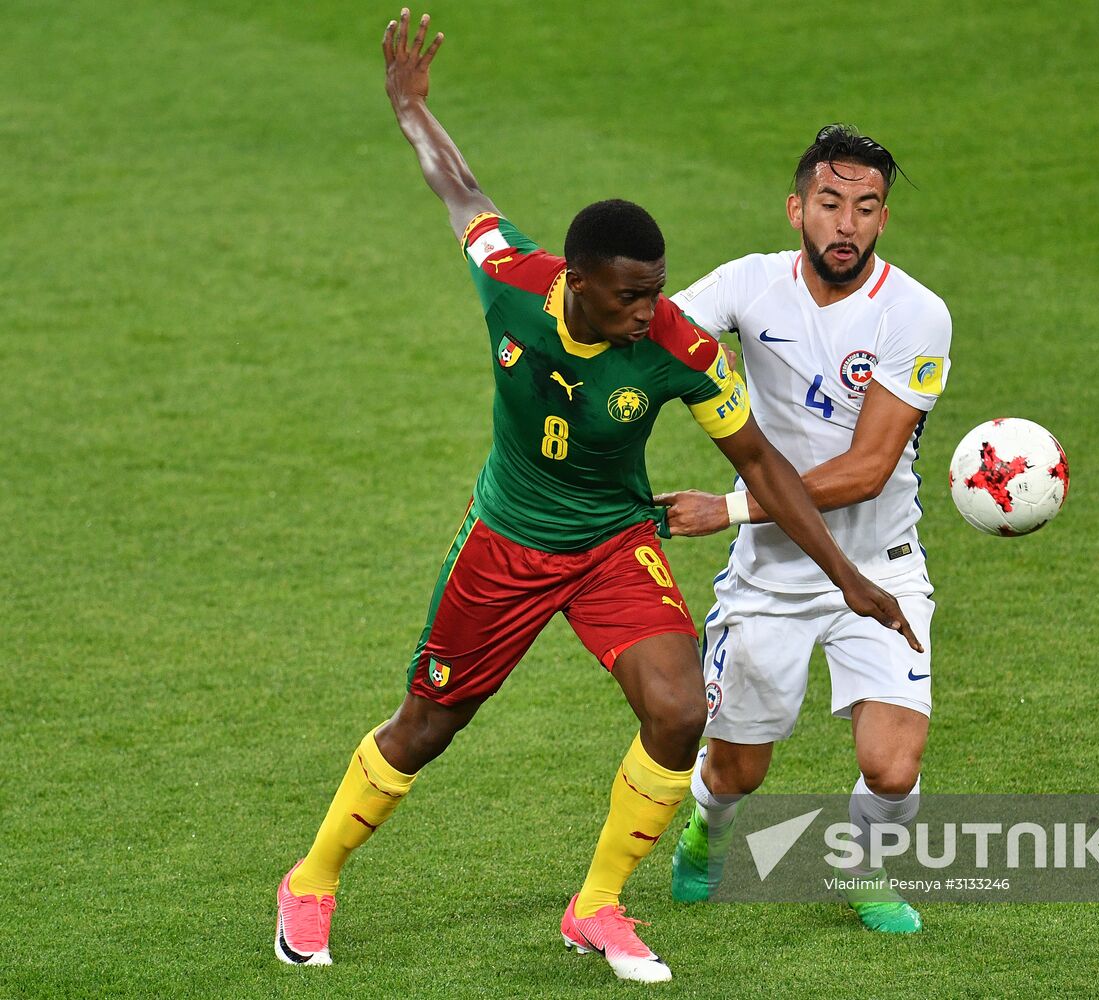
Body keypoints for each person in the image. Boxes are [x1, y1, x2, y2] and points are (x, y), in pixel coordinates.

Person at [274, 14, 922, 984]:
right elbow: (462, 193)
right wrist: (412, 108)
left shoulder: (676, 348)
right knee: (426, 725)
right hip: (506, 543)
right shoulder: (513, 285)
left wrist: (849, 578)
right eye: (627, 296)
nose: (646, 311)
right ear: (576, 282)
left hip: (612, 545)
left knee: (676, 710)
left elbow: (761, 466)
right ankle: (311, 878)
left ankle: (597, 905)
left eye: (656, 292)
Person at [660, 125, 952, 934]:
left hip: (882, 567)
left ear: (882, 221)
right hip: (771, 580)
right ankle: (706, 833)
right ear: (797, 209)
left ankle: (861, 865)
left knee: (892, 768)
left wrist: (729, 507)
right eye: (830, 203)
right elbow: (653, 337)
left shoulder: (916, 315)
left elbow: (868, 468)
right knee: (737, 772)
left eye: (866, 208)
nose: (846, 224)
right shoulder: (750, 287)